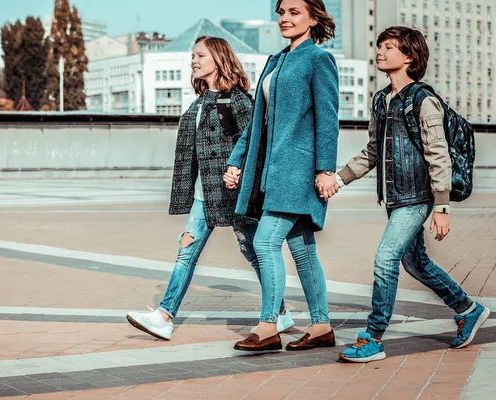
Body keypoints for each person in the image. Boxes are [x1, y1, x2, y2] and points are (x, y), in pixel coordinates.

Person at [337, 26, 490, 363]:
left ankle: (373, 336)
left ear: (408, 57)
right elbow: (372, 152)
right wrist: (338, 179)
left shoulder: (424, 100)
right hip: (395, 198)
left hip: (418, 198)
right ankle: (468, 308)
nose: (379, 51)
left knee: (386, 258)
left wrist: (442, 207)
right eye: (378, 45)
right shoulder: (381, 100)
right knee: (415, 262)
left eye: (388, 47)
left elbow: (439, 156)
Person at [126, 36, 293, 341]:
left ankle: (279, 314)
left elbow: (256, 143)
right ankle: (164, 316)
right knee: (186, 251)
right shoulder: (198, 103)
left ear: (218, 59)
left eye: (200, 55)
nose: (194, 60)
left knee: (253, 251)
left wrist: (241, 175)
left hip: (234, 192)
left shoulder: (240, 101)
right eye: (193, 55)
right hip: (205, 196)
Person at [225, 0, 340, 352]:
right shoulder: (275, 61)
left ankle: (268, 326)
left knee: (263, 242)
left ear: (313, 17)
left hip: (298, 172)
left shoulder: (318, 59)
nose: (285, 18)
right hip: (272, 173)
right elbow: (258, 122)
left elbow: (328, 118)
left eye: (294, 12)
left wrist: (325, 169)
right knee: (303, 251)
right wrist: (237, 161)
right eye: (281, 12)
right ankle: (321, 326)